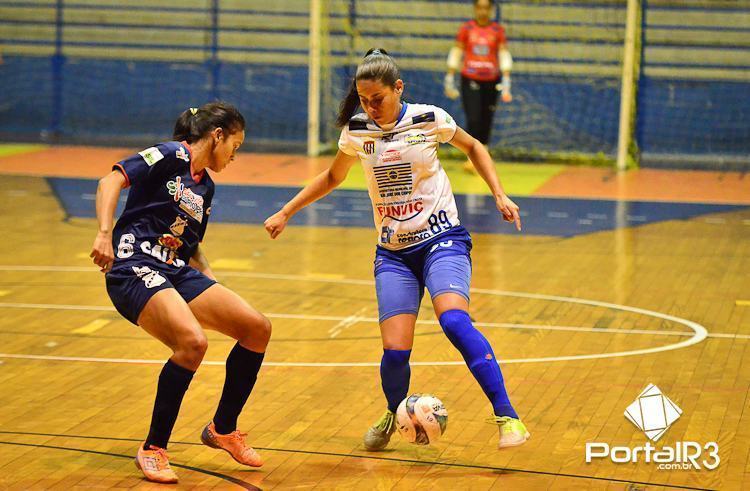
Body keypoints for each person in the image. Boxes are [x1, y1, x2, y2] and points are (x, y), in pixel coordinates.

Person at [264, 49, 529, 451]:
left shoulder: (429, 118)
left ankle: (507, 416)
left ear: (398, 88)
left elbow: (474, 147)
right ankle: (394, 413)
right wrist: (286, 211)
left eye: (377, 99)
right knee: (394, 350)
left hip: (442, 240)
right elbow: (333, 176)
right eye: (363, 99)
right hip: (393, 253)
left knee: (455, 322)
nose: (369, 107)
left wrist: (499, 193)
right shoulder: (356, 131)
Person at [90, 102, 271, 483]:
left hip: (174, 267)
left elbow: (189, 248)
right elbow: (110, 181)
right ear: (217, 135)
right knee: (193, 342)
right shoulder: (171, 154)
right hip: (133, 262)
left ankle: (222, 429)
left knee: (256, 328)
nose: (236, 155)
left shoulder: (205, 186)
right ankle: (153, 448)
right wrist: (104, 234)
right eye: (235, 145)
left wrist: (212, 282)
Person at [444, 0, 513, 172]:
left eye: (486, 8)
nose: (482, 11)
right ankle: (472, 157)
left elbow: (503, 54)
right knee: (473, 118)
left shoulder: (497, 30)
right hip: (470, 78)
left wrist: (506, 79)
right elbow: (457, 51)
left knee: (486, 119)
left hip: (492, 80)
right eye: (479, 7)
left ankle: (484, 156)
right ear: (475, 9)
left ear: (490, 10)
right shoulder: (467, 29)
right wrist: (450, 76)